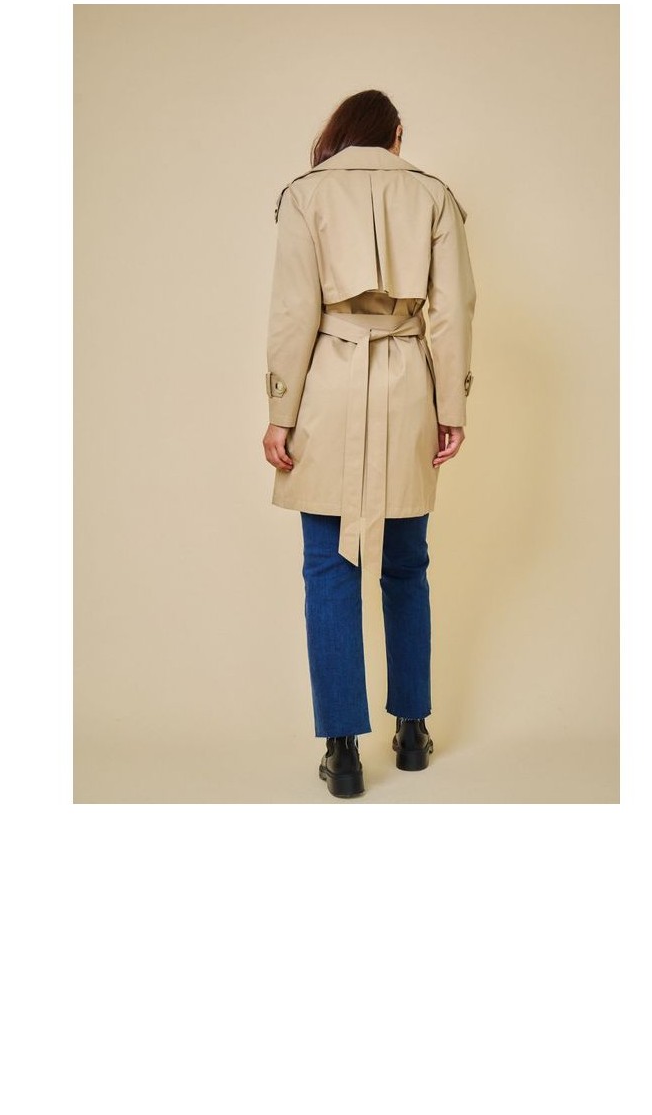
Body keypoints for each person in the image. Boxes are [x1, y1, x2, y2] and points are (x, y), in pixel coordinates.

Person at [262, 90, 477, 798]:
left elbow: (294, 311)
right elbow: (451, 312)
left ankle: (343, 749)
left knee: (328, 566)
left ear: (340, 134)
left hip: (327, 386)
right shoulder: (434, 195)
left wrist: (281, 412)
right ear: (396, 135)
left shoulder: (304, 194)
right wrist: (451, 407)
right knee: (407, 564)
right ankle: (412, 733)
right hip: (408, 385)